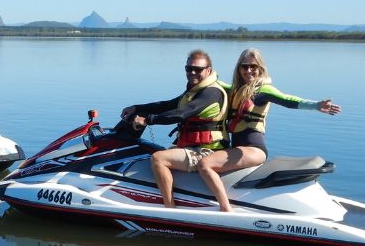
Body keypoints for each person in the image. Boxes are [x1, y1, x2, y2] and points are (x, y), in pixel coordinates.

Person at [197, 48, 341, 211]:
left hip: (253, 149)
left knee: (205, 165)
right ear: (239, 69)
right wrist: (201, 73)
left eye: (253, 66)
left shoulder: (263, 90)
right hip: (237, 148)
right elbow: (214, 82)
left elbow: (288, 100)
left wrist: (316, 105)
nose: (249, 70)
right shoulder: (236, 90)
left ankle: (225, 209)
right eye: (244, 66)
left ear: (260, 69)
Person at [120, 49, 229, 208]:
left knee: (158, 158)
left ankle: (169, 208)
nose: (192, 72)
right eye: (188, 68)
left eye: (197, 69)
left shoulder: (211, 93)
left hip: (207, 150)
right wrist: (137, 108)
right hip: (194, 147)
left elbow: (181, 114)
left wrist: (147, 120)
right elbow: (168, 105)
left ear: (209, 71)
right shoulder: (195, 90)